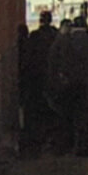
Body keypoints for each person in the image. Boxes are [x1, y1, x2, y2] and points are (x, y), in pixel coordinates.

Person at [48, 15, 88, 156]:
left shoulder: (63, 39)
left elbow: (53, 58)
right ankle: (84, 145)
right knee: (84, 112)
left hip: (69, 82)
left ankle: (67, 145)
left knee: (68, 113)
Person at [24, 10, 60, 152]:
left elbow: (28, 58)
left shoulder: (34, 36)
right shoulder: (57, 36)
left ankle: (39, 139)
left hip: (37, 78)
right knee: (54, 109)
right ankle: (53, 139)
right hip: (54, 78)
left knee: (38, 109)